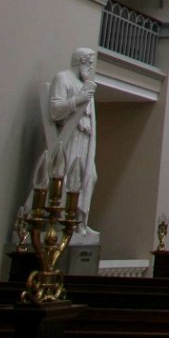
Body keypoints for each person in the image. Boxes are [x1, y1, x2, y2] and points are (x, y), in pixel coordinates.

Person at [44, 48, 98, 237]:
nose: (91, 66)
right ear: (79, 61)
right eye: (89, 62)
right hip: (69, 137)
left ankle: (79, 220)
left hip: (84, 139)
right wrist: (78, 100)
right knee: (67, 176)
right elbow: (55, 111)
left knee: (89, 177)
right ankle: (61, 221)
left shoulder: (87, 85)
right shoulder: (63, 78)